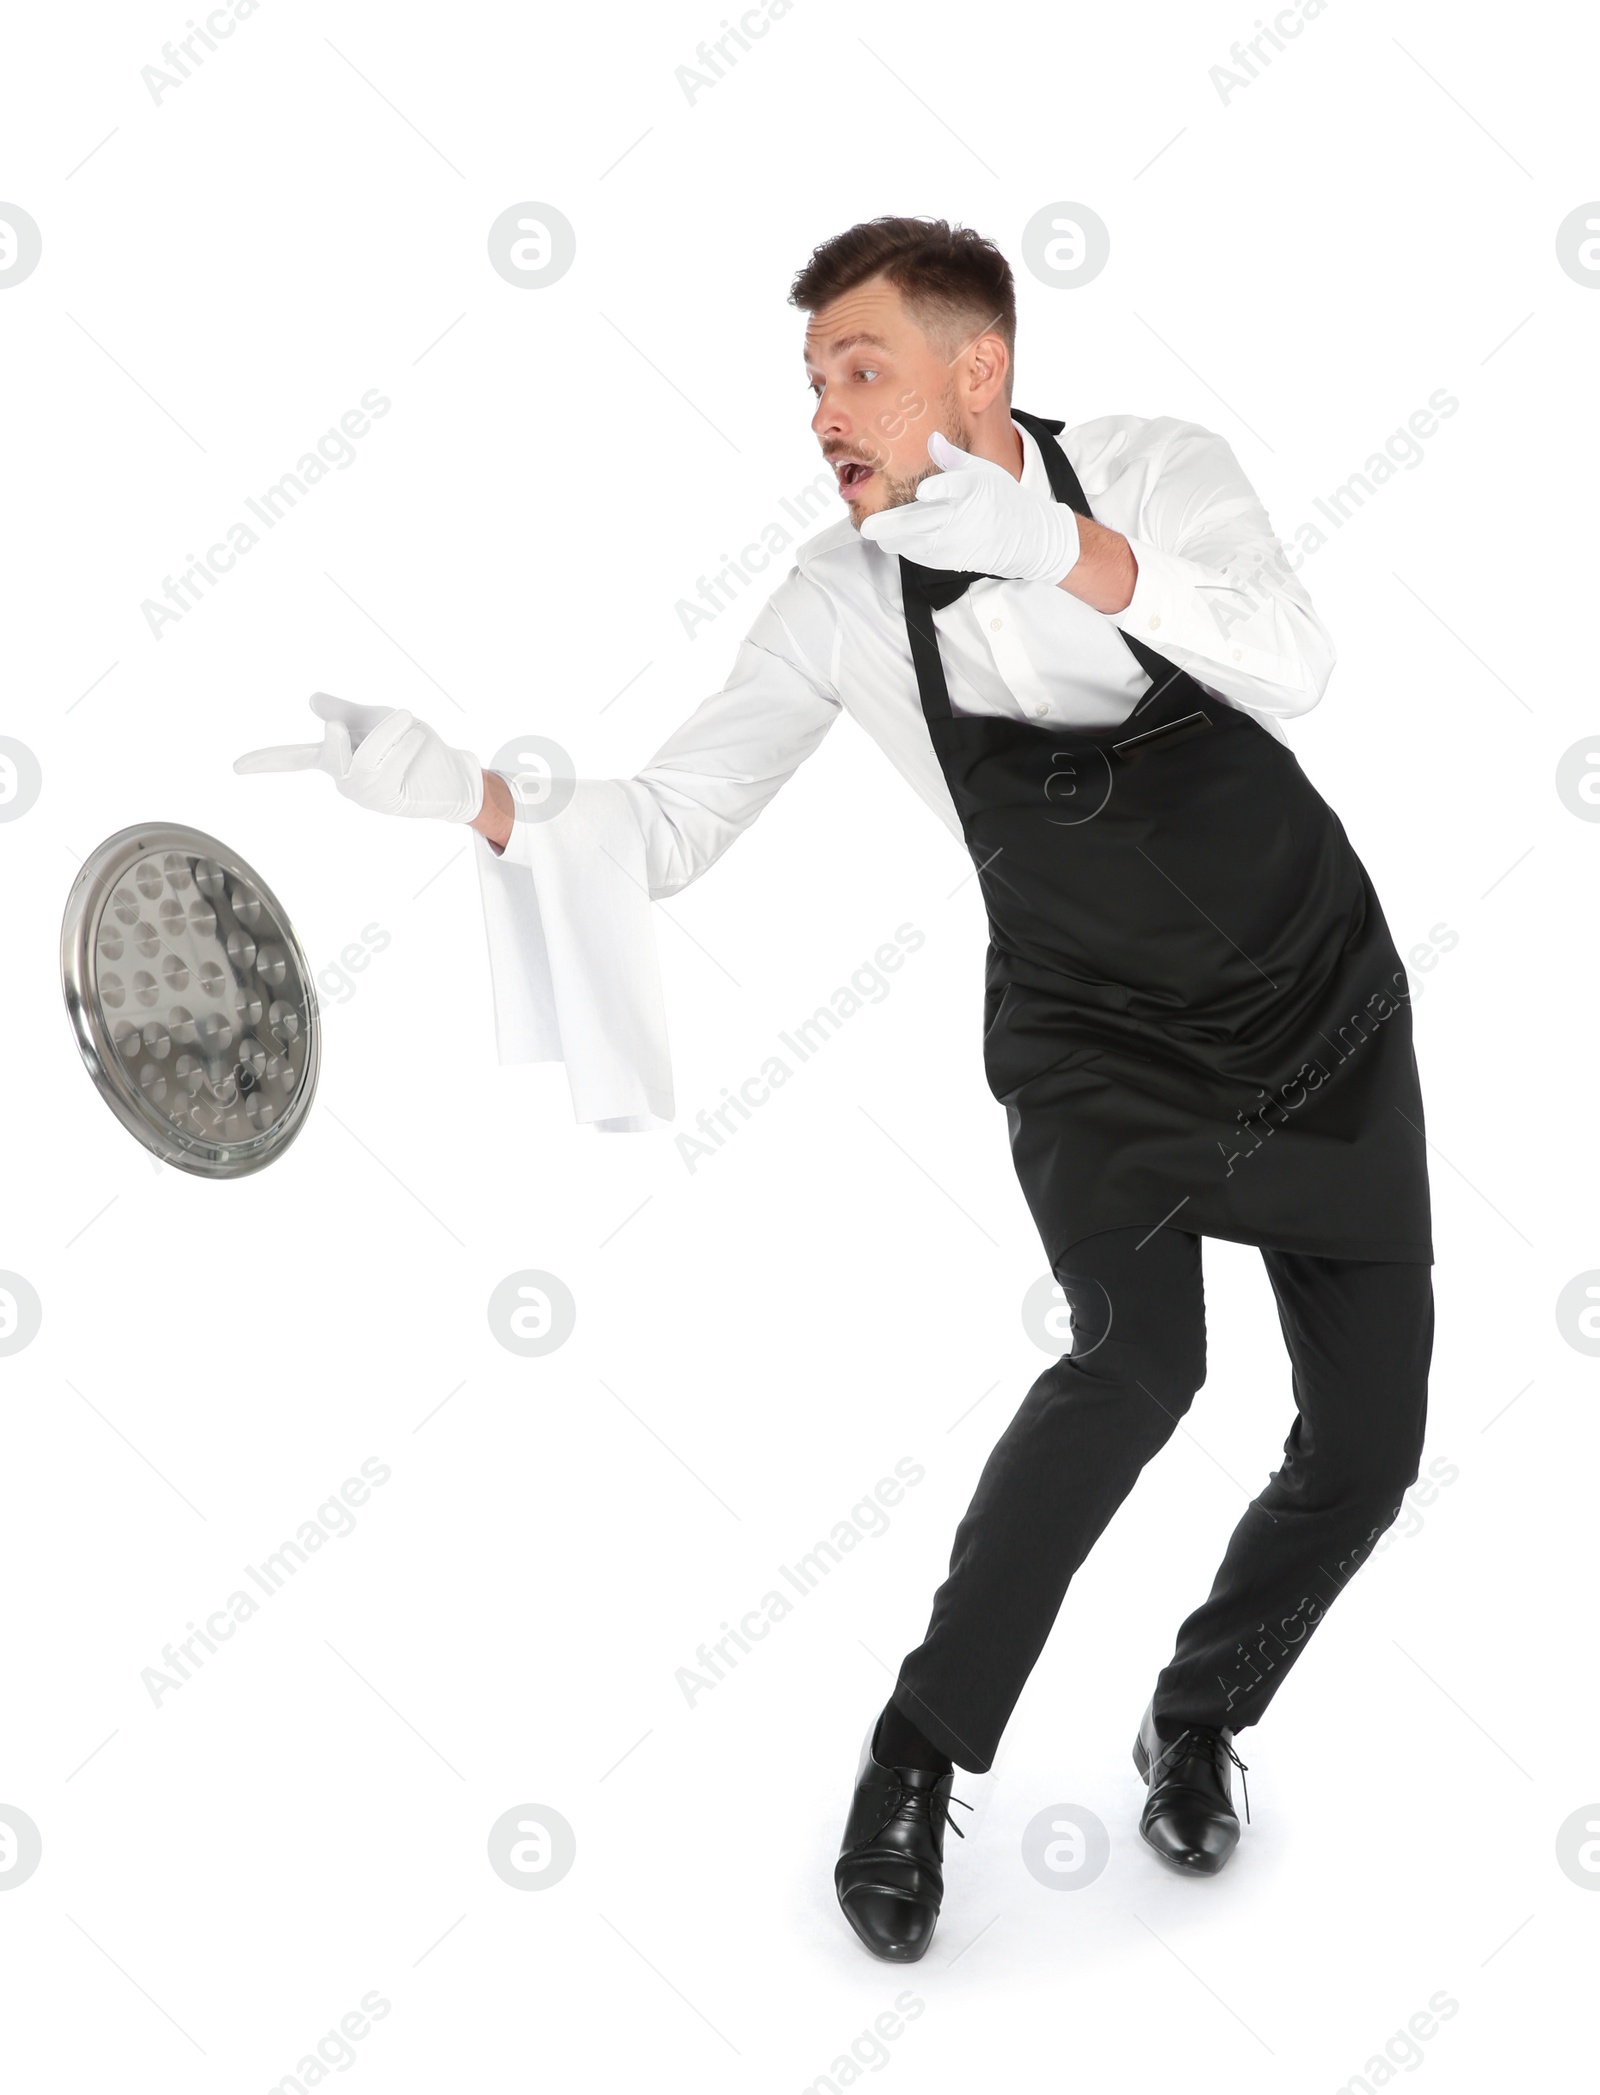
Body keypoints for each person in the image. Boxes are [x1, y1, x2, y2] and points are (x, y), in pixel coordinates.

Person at [237, 216, 1434, 1966]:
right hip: (1096, 1039)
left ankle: (1200, 1717)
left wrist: (1068, 549)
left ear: (982, 372)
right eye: (811, 380)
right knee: (1134, 1364)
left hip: (1311, 1006)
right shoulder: (837, 599)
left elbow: (1295, 660)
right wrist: (467, 798)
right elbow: (668, 829)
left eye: (859, 369)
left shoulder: (1165, 475)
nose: (824, 411)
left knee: (1372, 1441)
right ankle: (917, 1758)